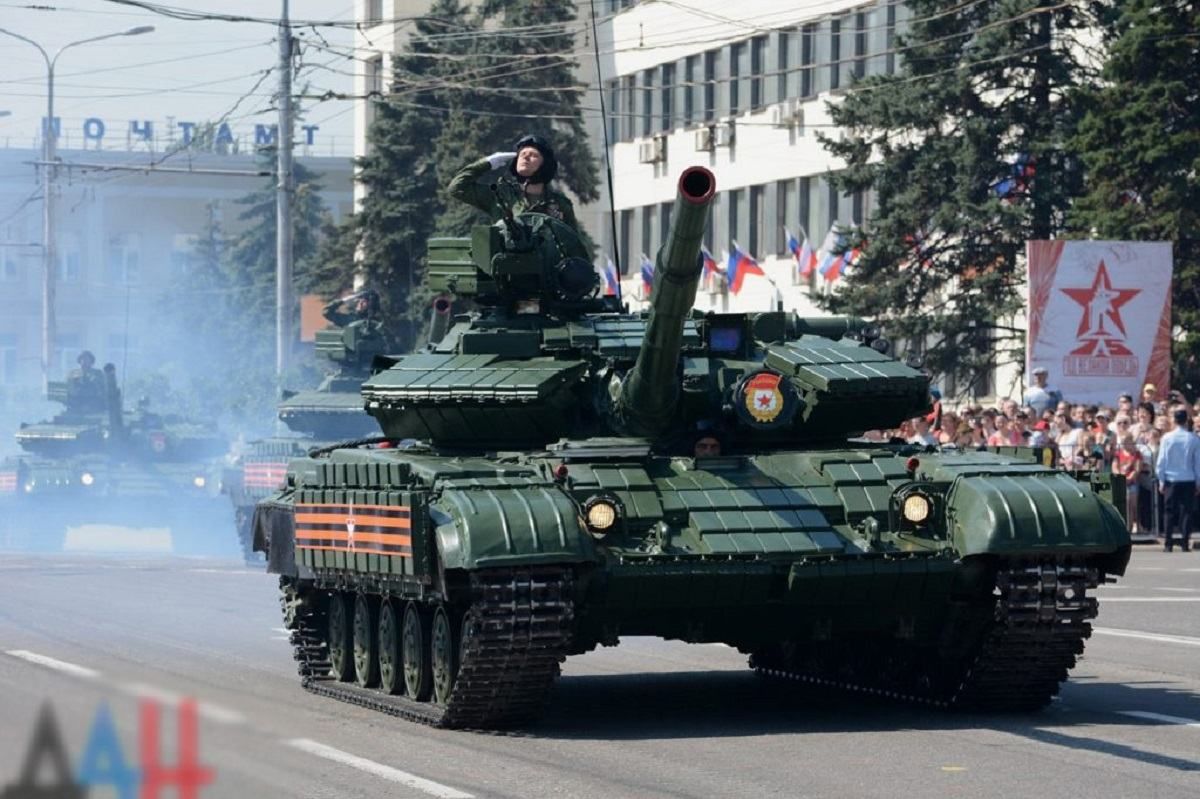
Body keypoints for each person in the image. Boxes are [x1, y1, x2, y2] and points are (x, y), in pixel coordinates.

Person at [448, 134, 580, 231]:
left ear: (545, 165)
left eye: (533, 155)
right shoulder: (500, 196)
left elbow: (574, 244)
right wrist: (487, 163)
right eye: (522, 154)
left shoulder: (560, 204)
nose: (525, 157)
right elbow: (457, 188)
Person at [1154, 408, 1200, 552]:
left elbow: (1161, 461)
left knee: (1169, 511)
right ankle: (1185, 543)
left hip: (1171, 479)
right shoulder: (1193, 438)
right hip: (1188, 478)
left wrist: (1161, 480)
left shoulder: (1167, 438)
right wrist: (1198, 481)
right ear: (1186, 420)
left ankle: (1168, 543)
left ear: (1174, 420)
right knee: (1187, 511)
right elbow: (1197, 463)